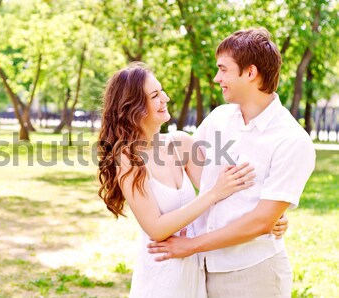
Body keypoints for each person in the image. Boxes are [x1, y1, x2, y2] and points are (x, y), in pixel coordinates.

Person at [148, 28, 315, 298]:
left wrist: (190, 245)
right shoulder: (219, 118)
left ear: (250, 73)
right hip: (202, 271)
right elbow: (190, 166)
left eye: (223, 70)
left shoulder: (292, 140)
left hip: (252, 274)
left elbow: (260, 221)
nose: (217, 78)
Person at [97, 63, 287, 297]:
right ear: (132, 107)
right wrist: (213, 194)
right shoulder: (128, 159)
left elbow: (228, 193)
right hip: (161, 273)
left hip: (194, 270)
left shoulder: (180, 144)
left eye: (162, 90)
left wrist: (269, 215)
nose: (165, 98)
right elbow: (156, 228)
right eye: (155, 95)